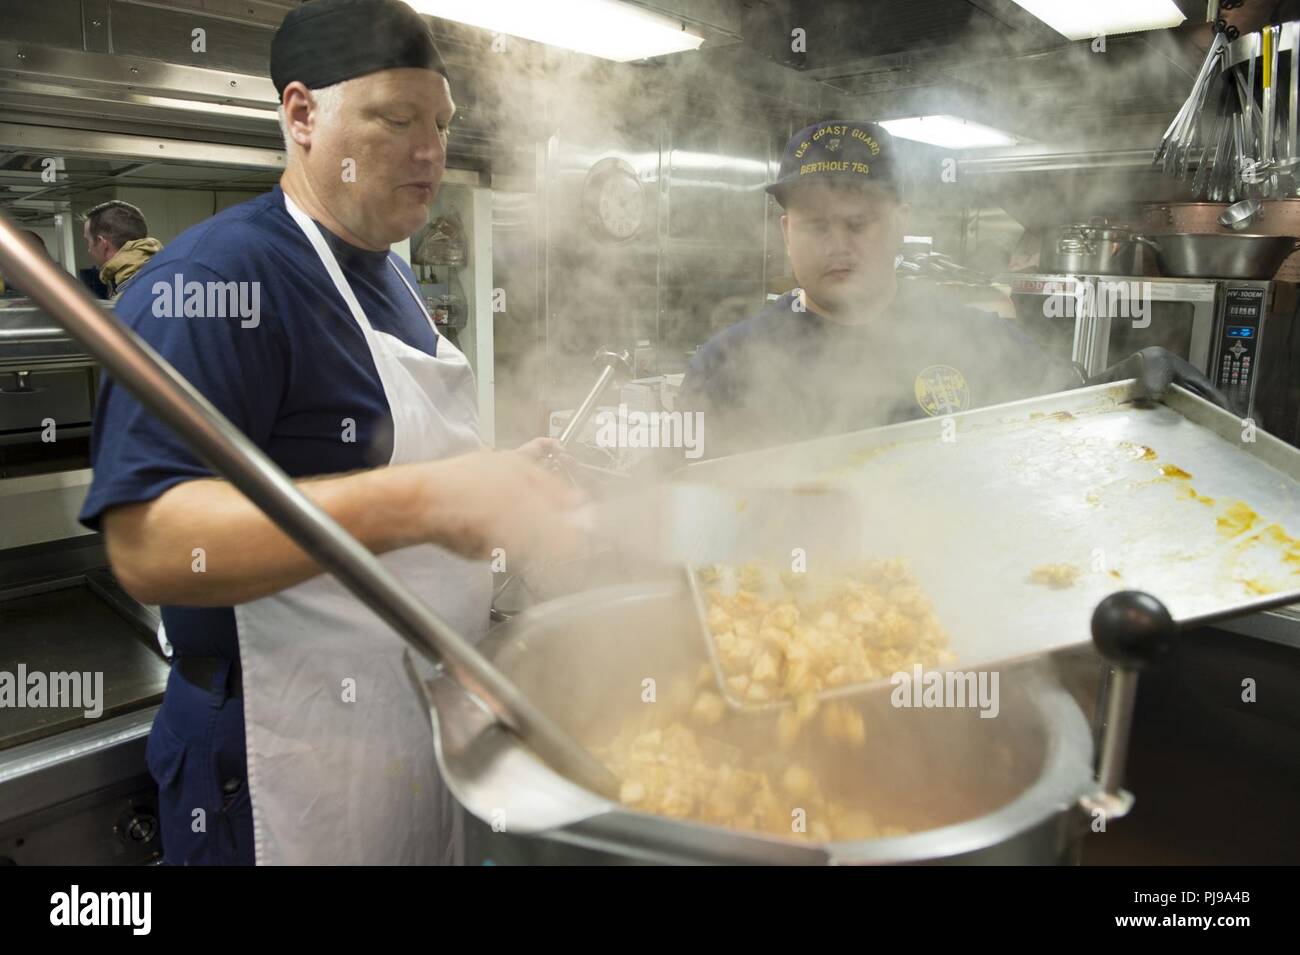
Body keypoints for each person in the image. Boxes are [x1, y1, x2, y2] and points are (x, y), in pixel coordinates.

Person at [80, 0, 583, 865]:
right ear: (302, 114)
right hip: (278, 757)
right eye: (396, 119)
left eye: (441, 124)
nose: (431, 152)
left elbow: (371, 464)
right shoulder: (218, 278)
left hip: (401, 732)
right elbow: (150, 544)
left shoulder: (391, 273)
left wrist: (495, 478)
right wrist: (428, 498)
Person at [679, 121, 1226, 458]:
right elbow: (667, 500)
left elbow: (1064, 420)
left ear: (899, 222)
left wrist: (1127, 389)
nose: (838, 244)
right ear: (785, 232)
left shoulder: (975, 339)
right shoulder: (728, 365)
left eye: (859, 222)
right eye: (817, 226)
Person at [81, 200, 163, 298]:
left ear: (102, 243)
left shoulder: (129, 295)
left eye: (88, 242)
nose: (89, 250)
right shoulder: (163, 275)